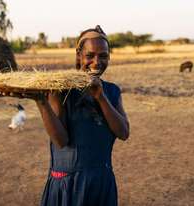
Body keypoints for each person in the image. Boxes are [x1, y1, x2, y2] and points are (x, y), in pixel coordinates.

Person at [31, 25, 130, 206]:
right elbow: (60, 141)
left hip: (101, 182)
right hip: (68, 185)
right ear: (79, 56)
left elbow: (123, 133)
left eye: (103, 56)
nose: (96, 62)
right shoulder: (62, 90)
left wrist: (100, 97)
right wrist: (41, 102)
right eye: (89, 55)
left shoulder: (112, 91)